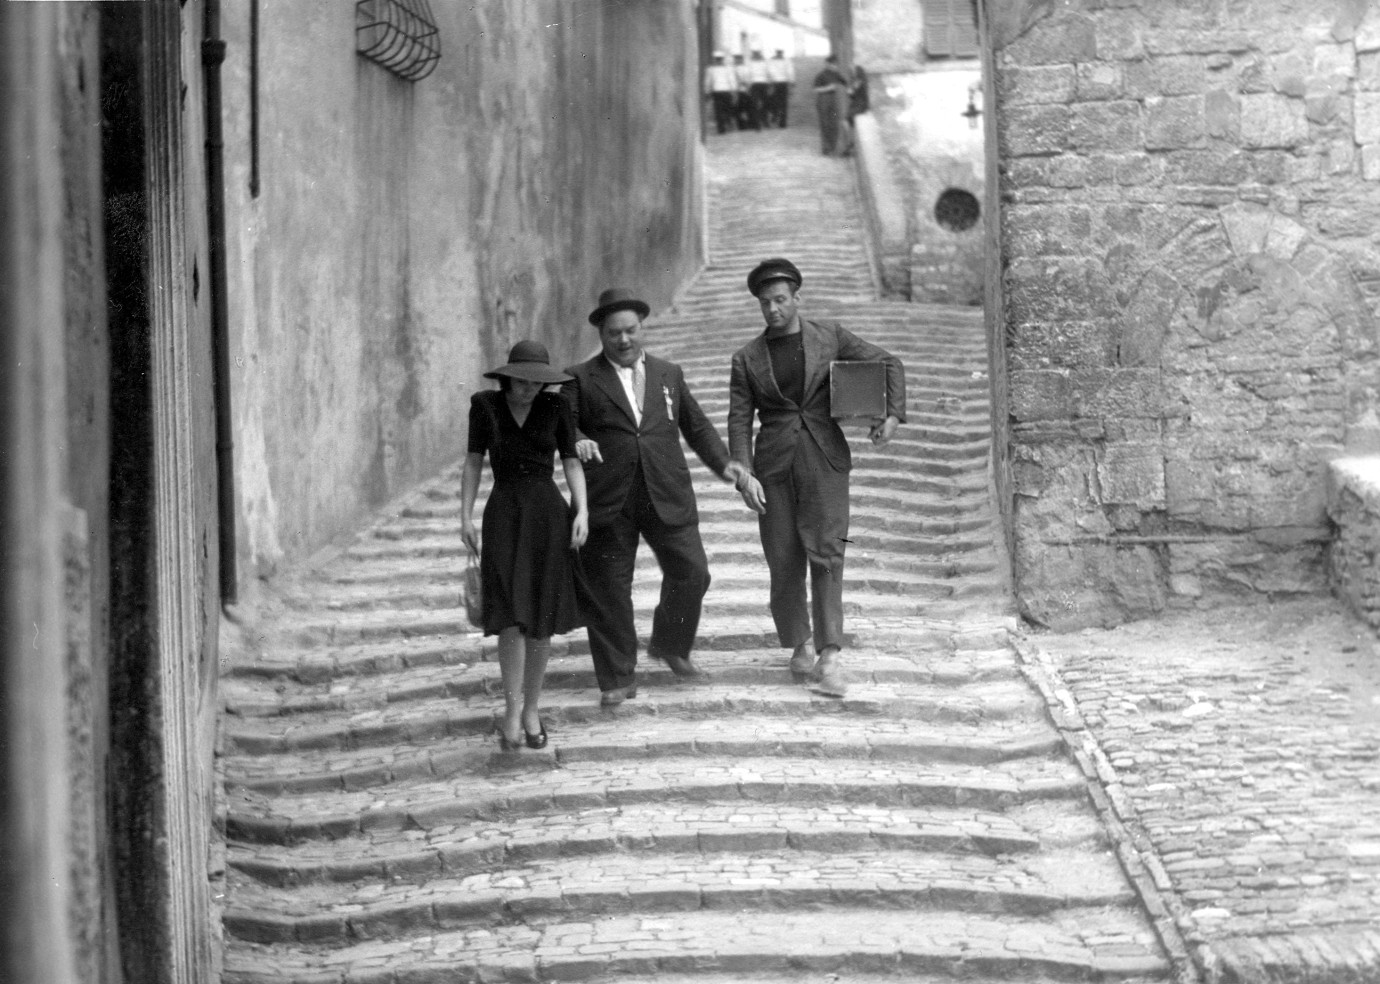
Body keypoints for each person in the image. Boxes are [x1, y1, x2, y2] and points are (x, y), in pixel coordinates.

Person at [727, 259, 906, 698]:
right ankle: (799, 643)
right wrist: (743, 473)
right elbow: (739, 419)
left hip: (826, 461)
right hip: (772, 468)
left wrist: (892, 415)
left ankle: (830, 656)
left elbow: (888, 362)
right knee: (782, 557)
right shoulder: (747, 358)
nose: (773, 309)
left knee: (828, 553)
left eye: (780, 300)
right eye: (765, 303)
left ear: (797, 298)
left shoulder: (830, 336)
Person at [563, 288, 751, 706]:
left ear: (642, 328)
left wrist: (726, 464)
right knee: (609, 589)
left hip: (665, 491)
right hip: (608, 498)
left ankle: (670, 643)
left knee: (693, 572)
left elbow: (696, 426)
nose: (623, 340)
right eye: (614, 333)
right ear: (601, 334)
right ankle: (617, 678)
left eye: (630, 330)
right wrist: (577, 439)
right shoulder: (579, 378)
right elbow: (564, 426)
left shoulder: (669, 373)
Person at [461, 340, 589, 751]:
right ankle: (511, 709)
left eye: (537, 384)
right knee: (510, 617)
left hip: (547, 516)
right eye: (522, 382)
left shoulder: (557, 407)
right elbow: (473, 461)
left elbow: (571, 461)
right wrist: (465, 516)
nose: (529, 390)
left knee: (540, 618)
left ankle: (532, 708)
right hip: (503, 513)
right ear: (508, 378)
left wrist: (582, 511)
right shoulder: (484, 406)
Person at [812, 54, 850, 155]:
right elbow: (815, 89)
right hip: (823, 99)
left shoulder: (837, 74)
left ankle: (833, 147)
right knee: (824, 123)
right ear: (827, 64)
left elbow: (845, 83)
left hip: (834, 100)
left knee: (834, 123)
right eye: (833, 64)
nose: (835, 66)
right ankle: (826, 148)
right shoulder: (821, 75)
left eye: (836, 64)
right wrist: (827, 88)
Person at [704, 51, 738, 135]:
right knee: (725, 110)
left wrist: (707, 91)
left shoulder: (711, 69)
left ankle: (722, 128)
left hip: (718, 92)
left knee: (719, 110)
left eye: (719, 59)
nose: (718, 60)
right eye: (718, 59)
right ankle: (725, 126)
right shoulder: (727, 69)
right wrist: (734, 92)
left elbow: (708, 82)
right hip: (724, 91)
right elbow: (732, 80)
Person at [766, 49, 794, 127]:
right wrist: (791, 82)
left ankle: (779, 119)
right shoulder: (785, 61)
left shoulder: (775, 61)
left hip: (779, 83)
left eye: (779, 53)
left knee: (779, 102)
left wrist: (791, 81)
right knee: (780, 102)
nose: (779, 54)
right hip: (779, 83)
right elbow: (790, 72)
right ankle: (780, 120)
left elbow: (790, 71)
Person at [744, 50, 772, 131]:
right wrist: (748, 85)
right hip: (756, 84)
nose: (756, 56)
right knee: (757, 104)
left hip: (761, 84)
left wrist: (769, 83)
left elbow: (768, 73)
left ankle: (763, 121)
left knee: (764, 103)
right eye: (755, 54)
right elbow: (748, 75)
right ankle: (759, 123)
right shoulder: (751, 63)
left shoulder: (763, 63)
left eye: (757, 54)